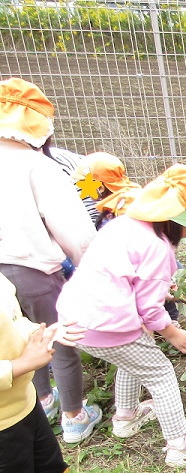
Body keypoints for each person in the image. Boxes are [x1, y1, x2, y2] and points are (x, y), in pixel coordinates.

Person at [56, 165, 186, 467]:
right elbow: (148, 309)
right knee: (160, 374)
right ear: (178, 218)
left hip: (77, 320)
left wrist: (159, 292)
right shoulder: (157, 247)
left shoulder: (123, 225)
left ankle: (127, 416)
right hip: (110, 325)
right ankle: (180, 442)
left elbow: (123, 279)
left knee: (132, 359)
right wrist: (171, 331)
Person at [0, 272, 120, 473]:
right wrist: (20, 365)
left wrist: (42, 333)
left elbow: (12, 320)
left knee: (51, 466)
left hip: (23, 403)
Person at [0, 77, 101, 442]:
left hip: (2, 276)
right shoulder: (37, 165)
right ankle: (74, 415)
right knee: (59, 339)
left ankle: (42, 400)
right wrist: (90, 267)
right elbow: (75, 230)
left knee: (20, 339)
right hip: (36, 272)